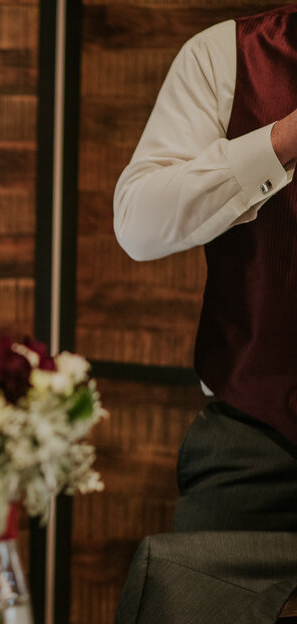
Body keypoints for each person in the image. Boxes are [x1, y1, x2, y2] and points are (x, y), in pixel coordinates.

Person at [113, 5, 297, 531]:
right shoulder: (226, 56)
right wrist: (281, 141)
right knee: (187, 605)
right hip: (259, 438)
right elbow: (137, 222)